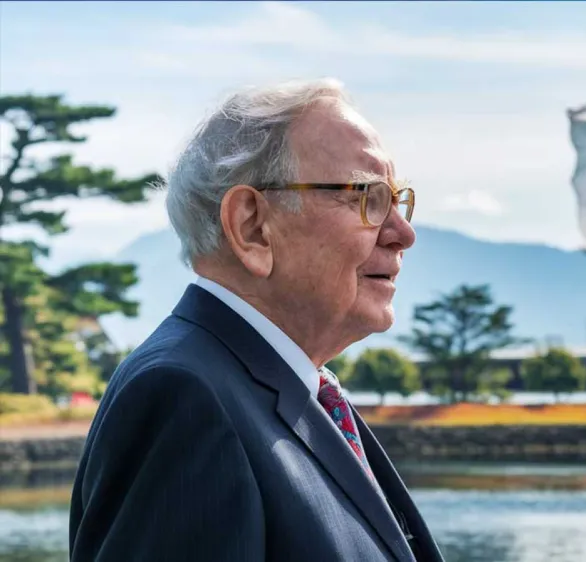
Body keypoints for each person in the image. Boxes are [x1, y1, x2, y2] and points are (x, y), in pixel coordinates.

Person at [68, 79, 444, 562]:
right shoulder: (184, 397)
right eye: (367, 197)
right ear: (252, 226)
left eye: (397, 200)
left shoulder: (270, 385)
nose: (402, 234)